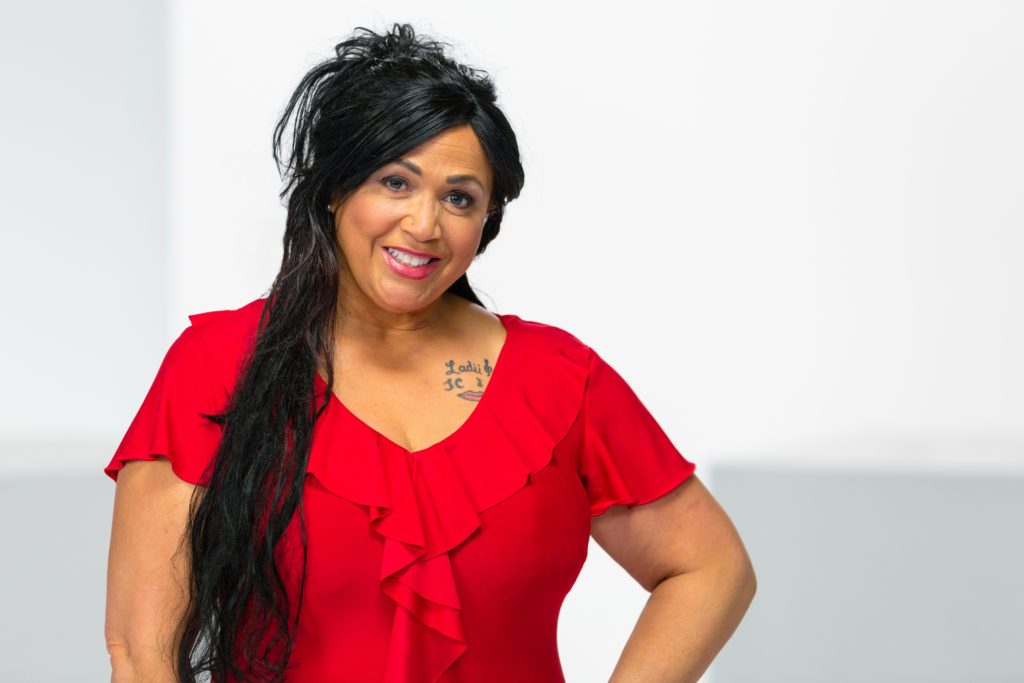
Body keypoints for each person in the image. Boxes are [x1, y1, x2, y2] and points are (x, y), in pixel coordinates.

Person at [103, 23, 756, 683]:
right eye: (395, 182)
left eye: (458, 197)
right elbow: (141, 654)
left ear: (486, 219)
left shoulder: (558, 381)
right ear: (335, 188)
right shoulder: (217, 366)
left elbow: (711, 566)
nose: (424, 224)